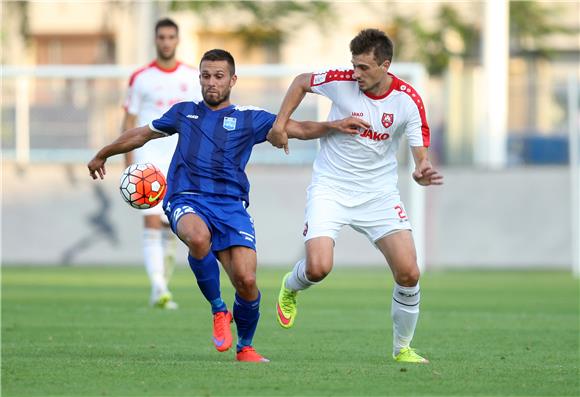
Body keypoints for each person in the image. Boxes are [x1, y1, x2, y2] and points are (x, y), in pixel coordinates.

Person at [88, 49, 369, 362]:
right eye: (206, 76)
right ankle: (219, 309)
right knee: (197, 237)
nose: (211, 82)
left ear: (232, 80)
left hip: (231, 206)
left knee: (247, 282)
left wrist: (334, 125)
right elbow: (142, 134)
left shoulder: (250, 117)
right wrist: (104, 153)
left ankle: (245, 347)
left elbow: (297, 128)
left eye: (219, 76)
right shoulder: (184, 113)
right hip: (187, 197)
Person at [269, 29, 443, 364]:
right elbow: (301, 81)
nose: (356, 74)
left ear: (385, 65)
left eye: (364, 67)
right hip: (330, 187)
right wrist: (280, 123)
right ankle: (291, 286)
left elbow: (420, 151)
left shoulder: (407, 100)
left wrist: (421, 168)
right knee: (319, 268)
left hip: (378, 194)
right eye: (354, 65)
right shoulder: (340, 81)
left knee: (409, 273)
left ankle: (402, 348)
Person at [122, 18, 202, 310]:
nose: (166, 42)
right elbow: (129, 120)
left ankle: (163, 273)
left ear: (177, 40)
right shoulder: (140, 78)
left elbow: (201, 119)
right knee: (152, 220)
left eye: (171, 37)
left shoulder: (193, 77)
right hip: (148, 156)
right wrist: (128, 161)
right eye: (161, 37)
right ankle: (158, 287)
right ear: (155, 40)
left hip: (179, 157)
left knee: (173, 226)